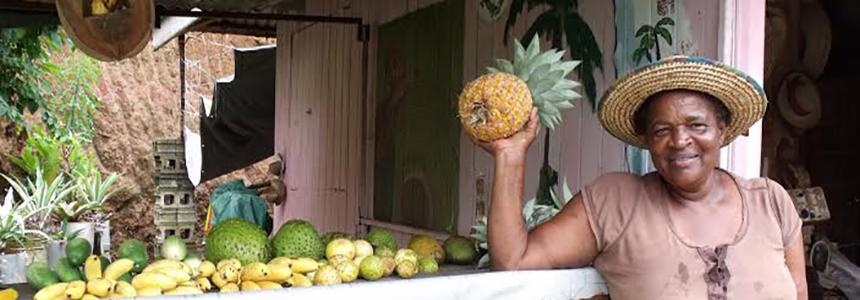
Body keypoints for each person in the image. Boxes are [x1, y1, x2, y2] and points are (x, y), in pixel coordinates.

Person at [474, 56, 807, 300]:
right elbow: (513, 260)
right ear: (647, 139)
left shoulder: (771, 201)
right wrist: (510, 155)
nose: (680, 141)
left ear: (722, 131)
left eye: (697, 125)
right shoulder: (616, 202)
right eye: (662, 130)